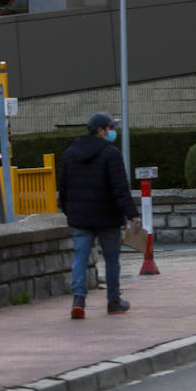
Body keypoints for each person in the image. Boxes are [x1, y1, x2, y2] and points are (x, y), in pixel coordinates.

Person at [57, 112, 139, 319]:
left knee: (80, 258)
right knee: (112, 259)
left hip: (81, 219)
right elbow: (120, 188)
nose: (113, 132)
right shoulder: (111, 154)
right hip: (108, 218)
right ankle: (113, 301)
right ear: (101, 131)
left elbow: (63, 189)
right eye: (110, 128)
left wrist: (70, 212)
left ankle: (78, 301)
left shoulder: (70, 154)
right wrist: (132, 214)